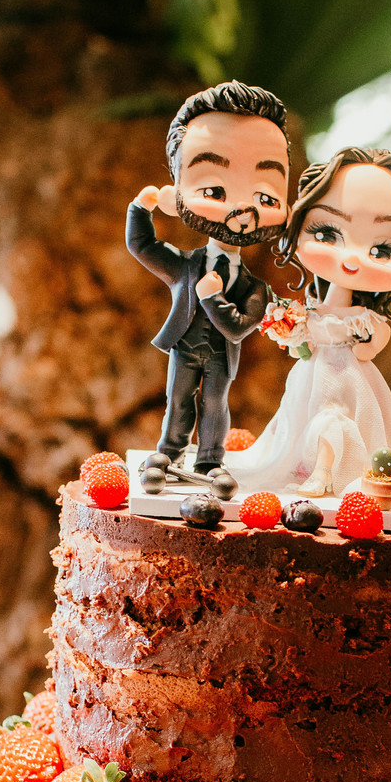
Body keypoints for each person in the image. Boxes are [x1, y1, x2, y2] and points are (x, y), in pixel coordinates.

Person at [229, 145, 391, 499]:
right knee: (297, 423)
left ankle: (326, 473)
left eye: (382, 250)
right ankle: (303, 468)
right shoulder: (311, 311)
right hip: (310, 381)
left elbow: (368, 350)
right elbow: (301, 350)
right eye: (327, 232)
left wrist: (363, 339)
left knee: (334, 421)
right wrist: (289, 330)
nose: (352, 258)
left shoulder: (362, 318)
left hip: (348, 385)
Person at [127, 81, 290, 494]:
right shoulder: (185, 265)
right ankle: (169, 452)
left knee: (214, 404)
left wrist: (212, 297)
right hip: (184, 346)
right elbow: (142, 245)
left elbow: (237, 328)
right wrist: (140, 210)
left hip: (220, 354)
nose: (241, 208)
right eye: (215, 190)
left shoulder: (256, 289)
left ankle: (211, 459)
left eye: (265, 196)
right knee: (178, 399)